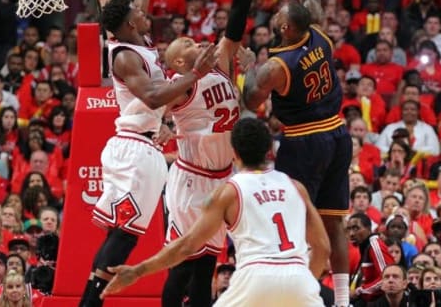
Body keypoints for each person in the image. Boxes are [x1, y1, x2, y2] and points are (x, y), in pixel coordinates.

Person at [78, 0, 218, 305]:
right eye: (139, 12)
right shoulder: (124, 55)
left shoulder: (135, 37)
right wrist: (195, 74)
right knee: (124, 236)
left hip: (144, 146)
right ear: (126, 23)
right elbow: (155, 96)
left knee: (122, 234)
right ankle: (90, 302)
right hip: (135, 147)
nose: (145, 9)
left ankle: (90, 301)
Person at [243, 0, 353, 305]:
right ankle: (341, 301)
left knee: (292, 220)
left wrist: (247, 66)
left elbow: (249, 98)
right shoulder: (319, 31)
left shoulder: (276, 66)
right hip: (339, 135)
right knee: (334, 223)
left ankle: (299, 295)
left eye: (276, 20)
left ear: (287, 28)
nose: (272, 22)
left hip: (305, 142)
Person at [101, 118, 330, 307]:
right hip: (299, 277)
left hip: (255, 278)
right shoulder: (296, 187)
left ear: (234, 153)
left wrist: (138, 271)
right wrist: (302, 282)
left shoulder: (229, 192)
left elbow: (187, 246)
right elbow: (322, 247)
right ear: (269, 150)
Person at [159, 0, 263, 307]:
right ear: (180, 64)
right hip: (191, 181)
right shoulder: (179, 88)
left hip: (221, 177)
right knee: (183, 265)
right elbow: (155, 105)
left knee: (206, 268)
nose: (193, 38)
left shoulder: (219, 62)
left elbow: (238, 13)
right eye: (186, 41)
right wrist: (161, 130)